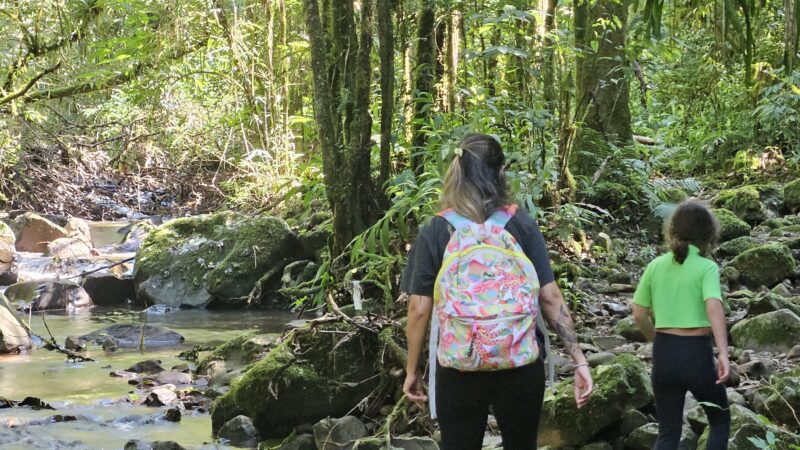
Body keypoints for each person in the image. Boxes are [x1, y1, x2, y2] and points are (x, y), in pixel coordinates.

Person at [402, 133, 593, 450]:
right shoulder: (521, 223)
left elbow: (419, 309)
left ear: (455, 171)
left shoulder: (435, 230)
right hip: (519, 362)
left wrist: (412, 370)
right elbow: (550, 298)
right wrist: (579, 360)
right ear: (501, 172)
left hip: (459, 365)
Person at [632, 199, 731, 449]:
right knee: (719, 420)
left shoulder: (655, 266)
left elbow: (638, 313)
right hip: (696, 354)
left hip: (664, 353)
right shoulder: (706, 267)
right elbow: (713, 306)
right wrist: (723, 353)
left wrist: (655, 340)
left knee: (668, 433)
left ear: (672, 231)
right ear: (708, 234)